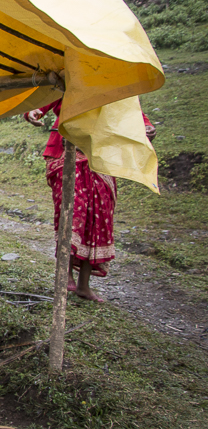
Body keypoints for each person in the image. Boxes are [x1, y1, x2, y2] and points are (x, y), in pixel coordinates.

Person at [24, 100, 156, 302]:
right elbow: (49, 94)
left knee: (98, 217)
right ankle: (65, 274)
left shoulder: (114, 77)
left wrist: (145, 125)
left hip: (100, 153)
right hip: (66, 150)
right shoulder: (75, 70)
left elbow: (127, 105)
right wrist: (35, 110)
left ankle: (83, 285)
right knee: (71, 211)